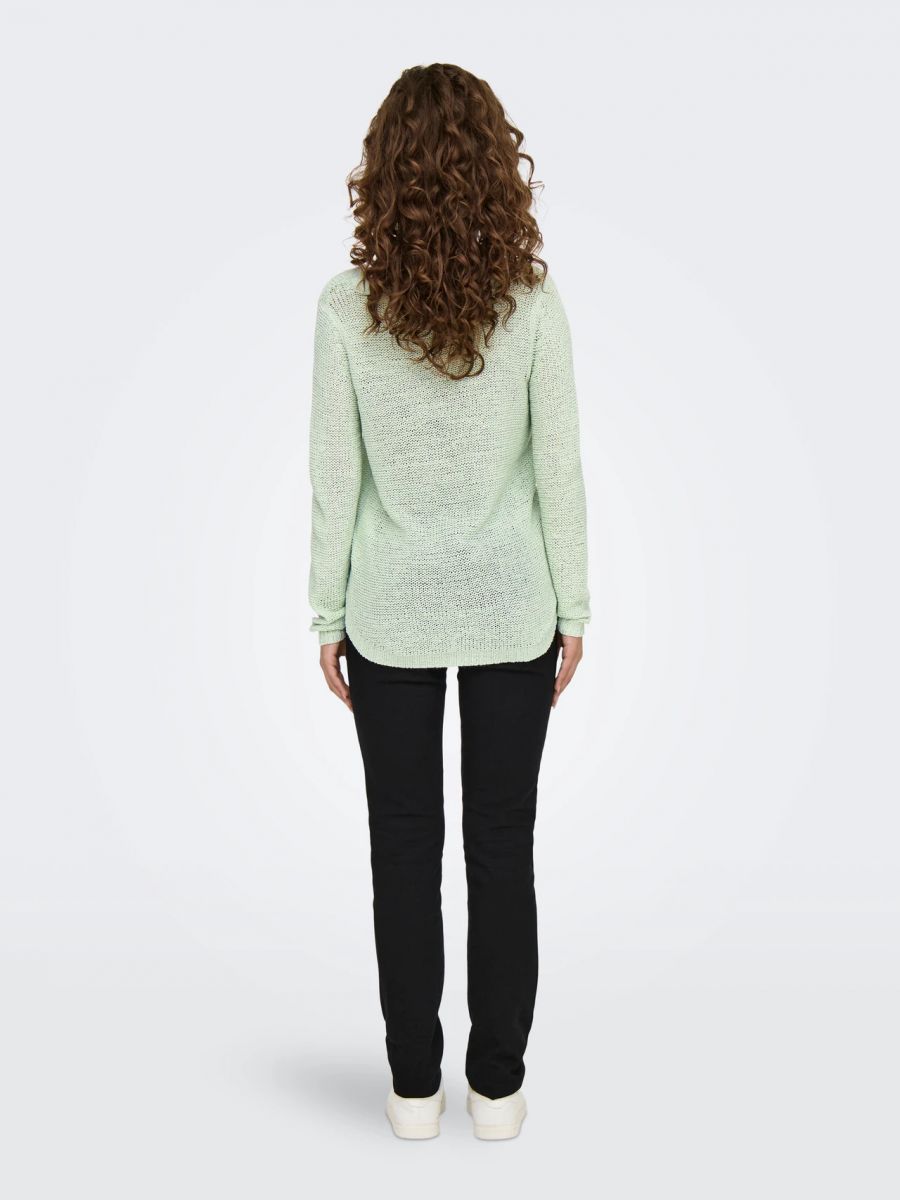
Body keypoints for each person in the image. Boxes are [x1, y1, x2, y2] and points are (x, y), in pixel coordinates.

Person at [307, 63, 591, 1141]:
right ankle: (499, 1090)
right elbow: (559, 470)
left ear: (380, 176)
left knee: (403, 850)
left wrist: (328, 616)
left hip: (389, 611)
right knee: (502, 847)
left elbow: (336, 481)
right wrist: (574, 608)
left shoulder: (346, 309)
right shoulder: (533, 305)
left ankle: (414, 1089)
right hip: (514, 606)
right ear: (496, 171)